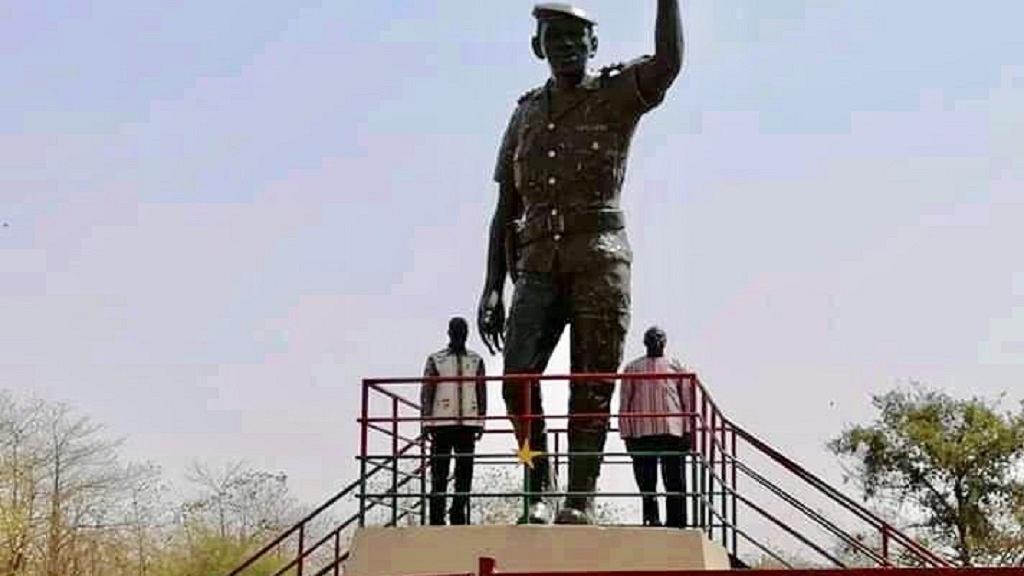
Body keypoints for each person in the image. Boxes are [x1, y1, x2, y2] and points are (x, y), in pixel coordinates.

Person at [476, 1, 685, 524]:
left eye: (576, 37)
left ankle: (579, 498)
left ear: (593, 45)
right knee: (516, 381)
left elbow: (667, 63)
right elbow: (506, 208)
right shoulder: (523, 114)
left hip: (599, 258)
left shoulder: (614, 97)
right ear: (537, 47)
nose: (565, 46)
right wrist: (492, 285)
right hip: (537, 262)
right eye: (554, 37)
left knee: (590, 384)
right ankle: (536, 484)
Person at [619, 326, 692, 528]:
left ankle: (677, 521)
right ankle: (651, 518)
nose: (656, 341)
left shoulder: (676, 366)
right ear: (645, 342)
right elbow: (625, 403)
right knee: (646, 480)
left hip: (672, 431)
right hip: (642, 432)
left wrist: (688, 431)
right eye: (652, 338)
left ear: (665, 342)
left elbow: (687, 400)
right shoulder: (632, 368)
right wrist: (626, 434)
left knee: (675, 480)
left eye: (660, 337)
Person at [420, 317, 487, 526]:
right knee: (439, 473)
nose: (459, 335)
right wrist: (426, 421)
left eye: (463, 331)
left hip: (467, 424)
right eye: (456, 331)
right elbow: (427, 392)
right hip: (442, 424)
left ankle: (458, 514)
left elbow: (481, 390)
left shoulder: (476, 360)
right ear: (449, 333)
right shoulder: (436, 359)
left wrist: (481, 420)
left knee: (464, 474)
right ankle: (436, 517)